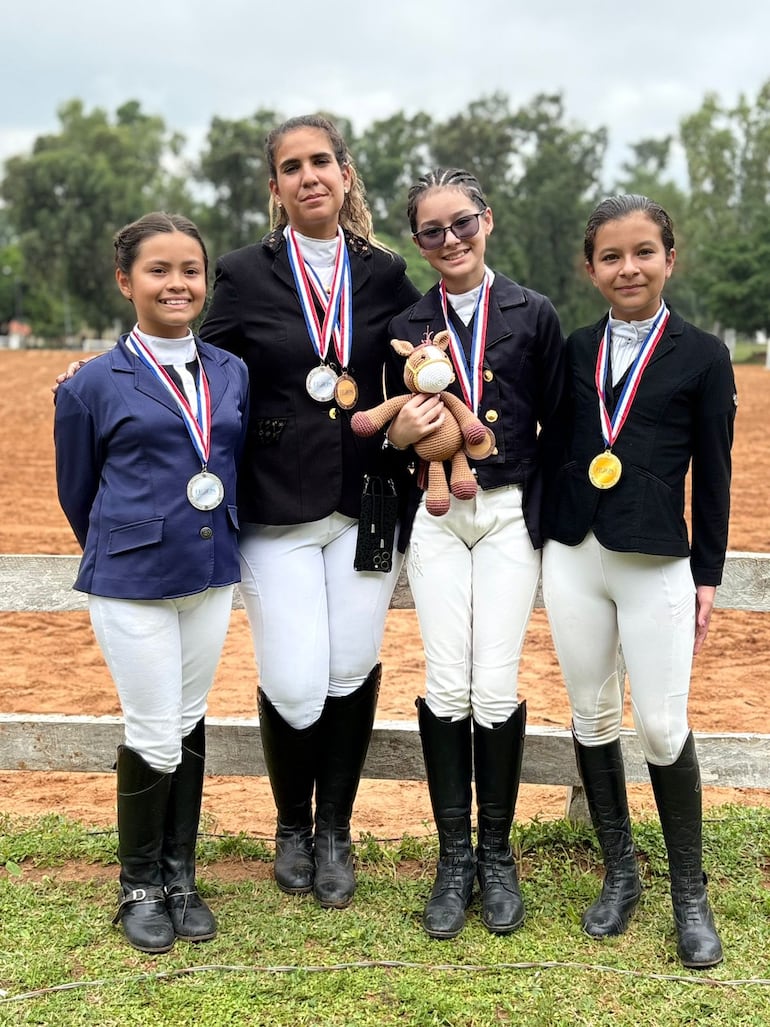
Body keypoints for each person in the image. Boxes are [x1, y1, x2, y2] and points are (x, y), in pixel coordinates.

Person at [198, 115, 421, 909]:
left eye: (321, 161)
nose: (308, 176)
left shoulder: (388, 274)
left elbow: (425, 357)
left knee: (348, 668)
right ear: (275, 188)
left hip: (367, 501)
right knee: (295, 683)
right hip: (276, 508)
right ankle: (290, 823)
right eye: (291, 167)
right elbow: (200, 363)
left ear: (346, 174)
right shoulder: (242, 272)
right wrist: (101, 375)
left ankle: (333, 831)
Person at [541, 194, 736, 969]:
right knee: (591, 713)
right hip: (574, 553)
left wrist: (710, 573)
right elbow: (549, 440)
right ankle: (621, 872)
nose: (629, 267)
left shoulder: (703, 352)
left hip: (656, 556)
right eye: (612, 256)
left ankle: (690, 890)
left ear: (669, 257)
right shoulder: (575, 345)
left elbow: (716, 472)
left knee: (659, 724)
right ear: (590, 268)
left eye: (643, 252)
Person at [53, 212, 250, 954]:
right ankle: (137, 883)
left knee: (189, 718)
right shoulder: (94, 383)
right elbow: (79, 491)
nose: (177, 283)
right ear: (125, 281)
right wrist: (127, 544)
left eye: (190, 270)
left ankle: (179, 874)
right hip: (131, 577)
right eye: (159, 270)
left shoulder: (231, 371)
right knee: (152, 732)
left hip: (208, 572)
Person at [385, 168, 566, 938]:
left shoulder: (533, 312)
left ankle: (497, 854)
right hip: (434, 514)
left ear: (486, 220)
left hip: (504, 512)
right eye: (433, 230)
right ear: (419, 242)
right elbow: (388, 431)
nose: (450, 240)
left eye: (462, 223)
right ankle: (452, 855)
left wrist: (550, 524)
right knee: (444, 679)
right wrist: (402, 432)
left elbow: (560, 423)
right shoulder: (405, 320)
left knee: (494, 683)